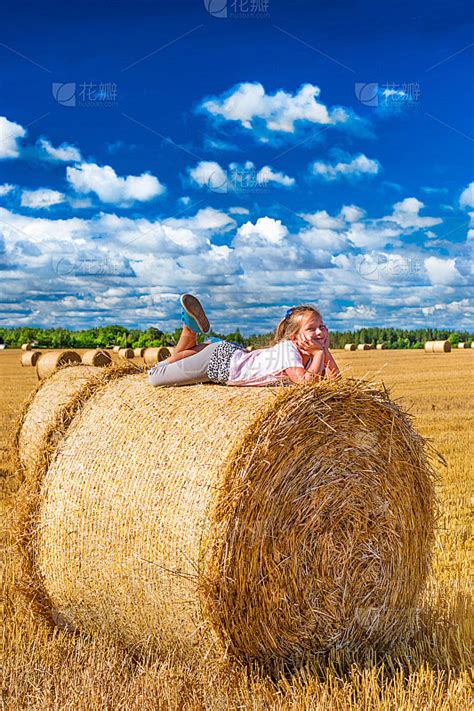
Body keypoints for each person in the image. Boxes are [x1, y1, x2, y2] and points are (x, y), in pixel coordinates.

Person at [147, 294, 340, 388]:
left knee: (182, 357)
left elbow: (336, 383)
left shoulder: (308, 354)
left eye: (322, 326)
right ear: (294, 337)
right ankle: (190, 328)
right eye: (311, 329)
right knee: (156, 377)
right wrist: (319, 352)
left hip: (232, 353)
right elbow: (305, 383)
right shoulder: (288, 350)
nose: (320, 331)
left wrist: (324, 350)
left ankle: (204, 341)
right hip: (219, 363)